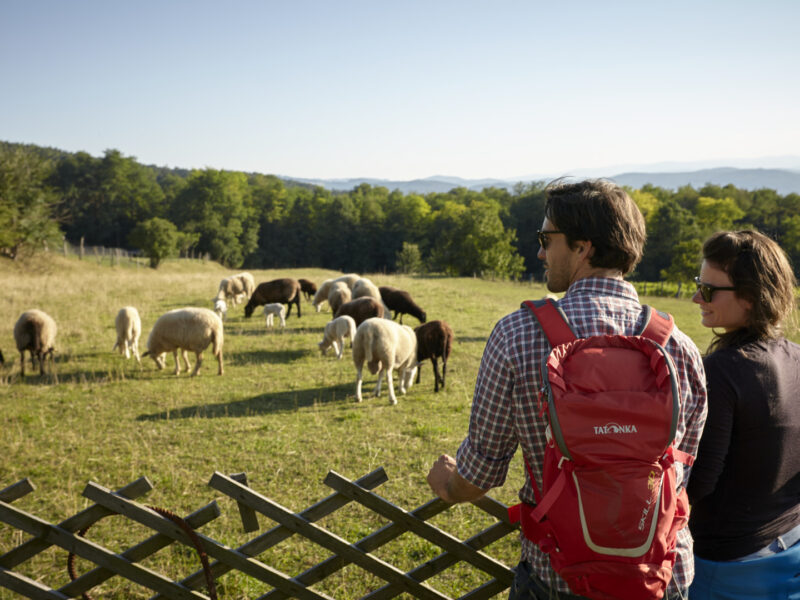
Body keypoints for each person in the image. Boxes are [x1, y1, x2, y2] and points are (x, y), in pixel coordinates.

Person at [426, 179, 707, 600]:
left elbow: (482, 472)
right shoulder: (677, 347)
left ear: (583, 247)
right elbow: (681, 468)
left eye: (546, 238)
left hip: (559, 577)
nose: (539, 251)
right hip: (659, 577)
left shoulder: (517, 334)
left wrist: (449, 484)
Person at [687, 230, 800, 599]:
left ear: (750, 298)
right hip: (790, 546)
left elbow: (700, 481)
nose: (696, 297)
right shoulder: (796, 357)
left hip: (731, 566)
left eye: (708, 289)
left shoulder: (721, 370)